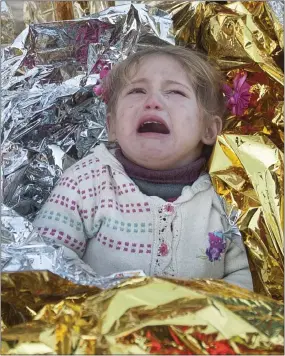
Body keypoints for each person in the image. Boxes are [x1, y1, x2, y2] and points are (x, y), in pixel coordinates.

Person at [33, 46, 253, 290]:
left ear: (209, 130)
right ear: (112, 125)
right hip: (99, 322)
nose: (153, 102)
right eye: (137, 91)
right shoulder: (86, 181)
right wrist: (101, 299)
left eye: (175, 92)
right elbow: (48, 250)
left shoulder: (224, 199)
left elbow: (245, 274)